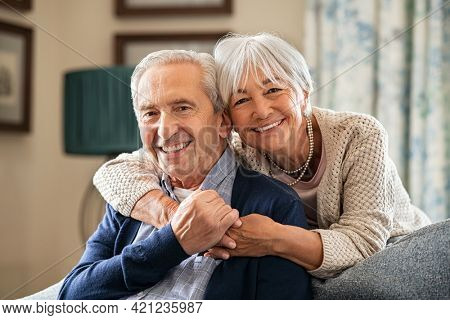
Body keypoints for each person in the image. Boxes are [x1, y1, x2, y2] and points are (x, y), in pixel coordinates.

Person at [93, 33, 450, 299]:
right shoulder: (238, 145)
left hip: (392, 249)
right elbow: (114, 172)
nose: (261, 111)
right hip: (313, 260)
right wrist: (176, 216)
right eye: (242, 99)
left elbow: (366, 243)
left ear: (304, 92)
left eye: (274, 90)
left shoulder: (358, 133)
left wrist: (275, 239)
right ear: (227, 117)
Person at [58, 49, 312, 300]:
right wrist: (174, 243)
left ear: (223, 122)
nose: (165, 130)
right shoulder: (134, 197)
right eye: (150, 114)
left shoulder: (273, 205)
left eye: (182, 108)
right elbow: (71, 296)